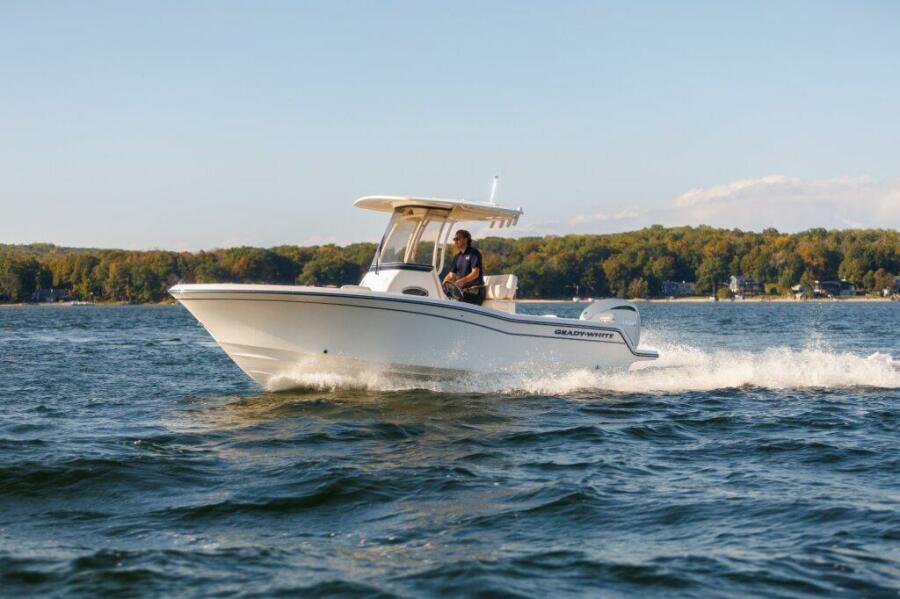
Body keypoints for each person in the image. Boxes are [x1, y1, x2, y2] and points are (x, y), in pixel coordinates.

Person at [442, 229, 486, 305]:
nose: (455, 241)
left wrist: (462, 281)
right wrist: (442, 285)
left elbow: (475, 273)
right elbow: (451, 275)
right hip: (463, 292)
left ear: (466, 239)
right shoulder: (457, 257)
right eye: (454, 239)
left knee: (455, 304)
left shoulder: (474, 253)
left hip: (475, 291)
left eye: (458, 239)